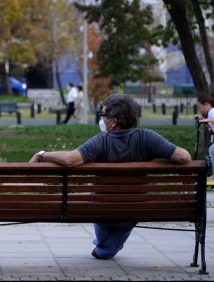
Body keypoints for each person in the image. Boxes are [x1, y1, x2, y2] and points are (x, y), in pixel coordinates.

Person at [30, 94, 191, 260]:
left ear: (113, 122)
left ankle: (103, 248)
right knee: (111, 242)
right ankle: (105, 248)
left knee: (105, 248)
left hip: (101, 207)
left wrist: (42, 154)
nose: (101, 119)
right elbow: (184, 157)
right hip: (136, 207)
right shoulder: (147, 137)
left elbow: (70, 160)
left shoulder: (101, 142)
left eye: (103, 115)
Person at [195, 95, 214, 179]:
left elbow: (211, 121)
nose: (200, 110)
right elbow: (211, 127)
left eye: (200, 107)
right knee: (212, 150)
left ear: (206, 104)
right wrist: (203, 120)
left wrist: (207, 120)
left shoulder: (212, 111)